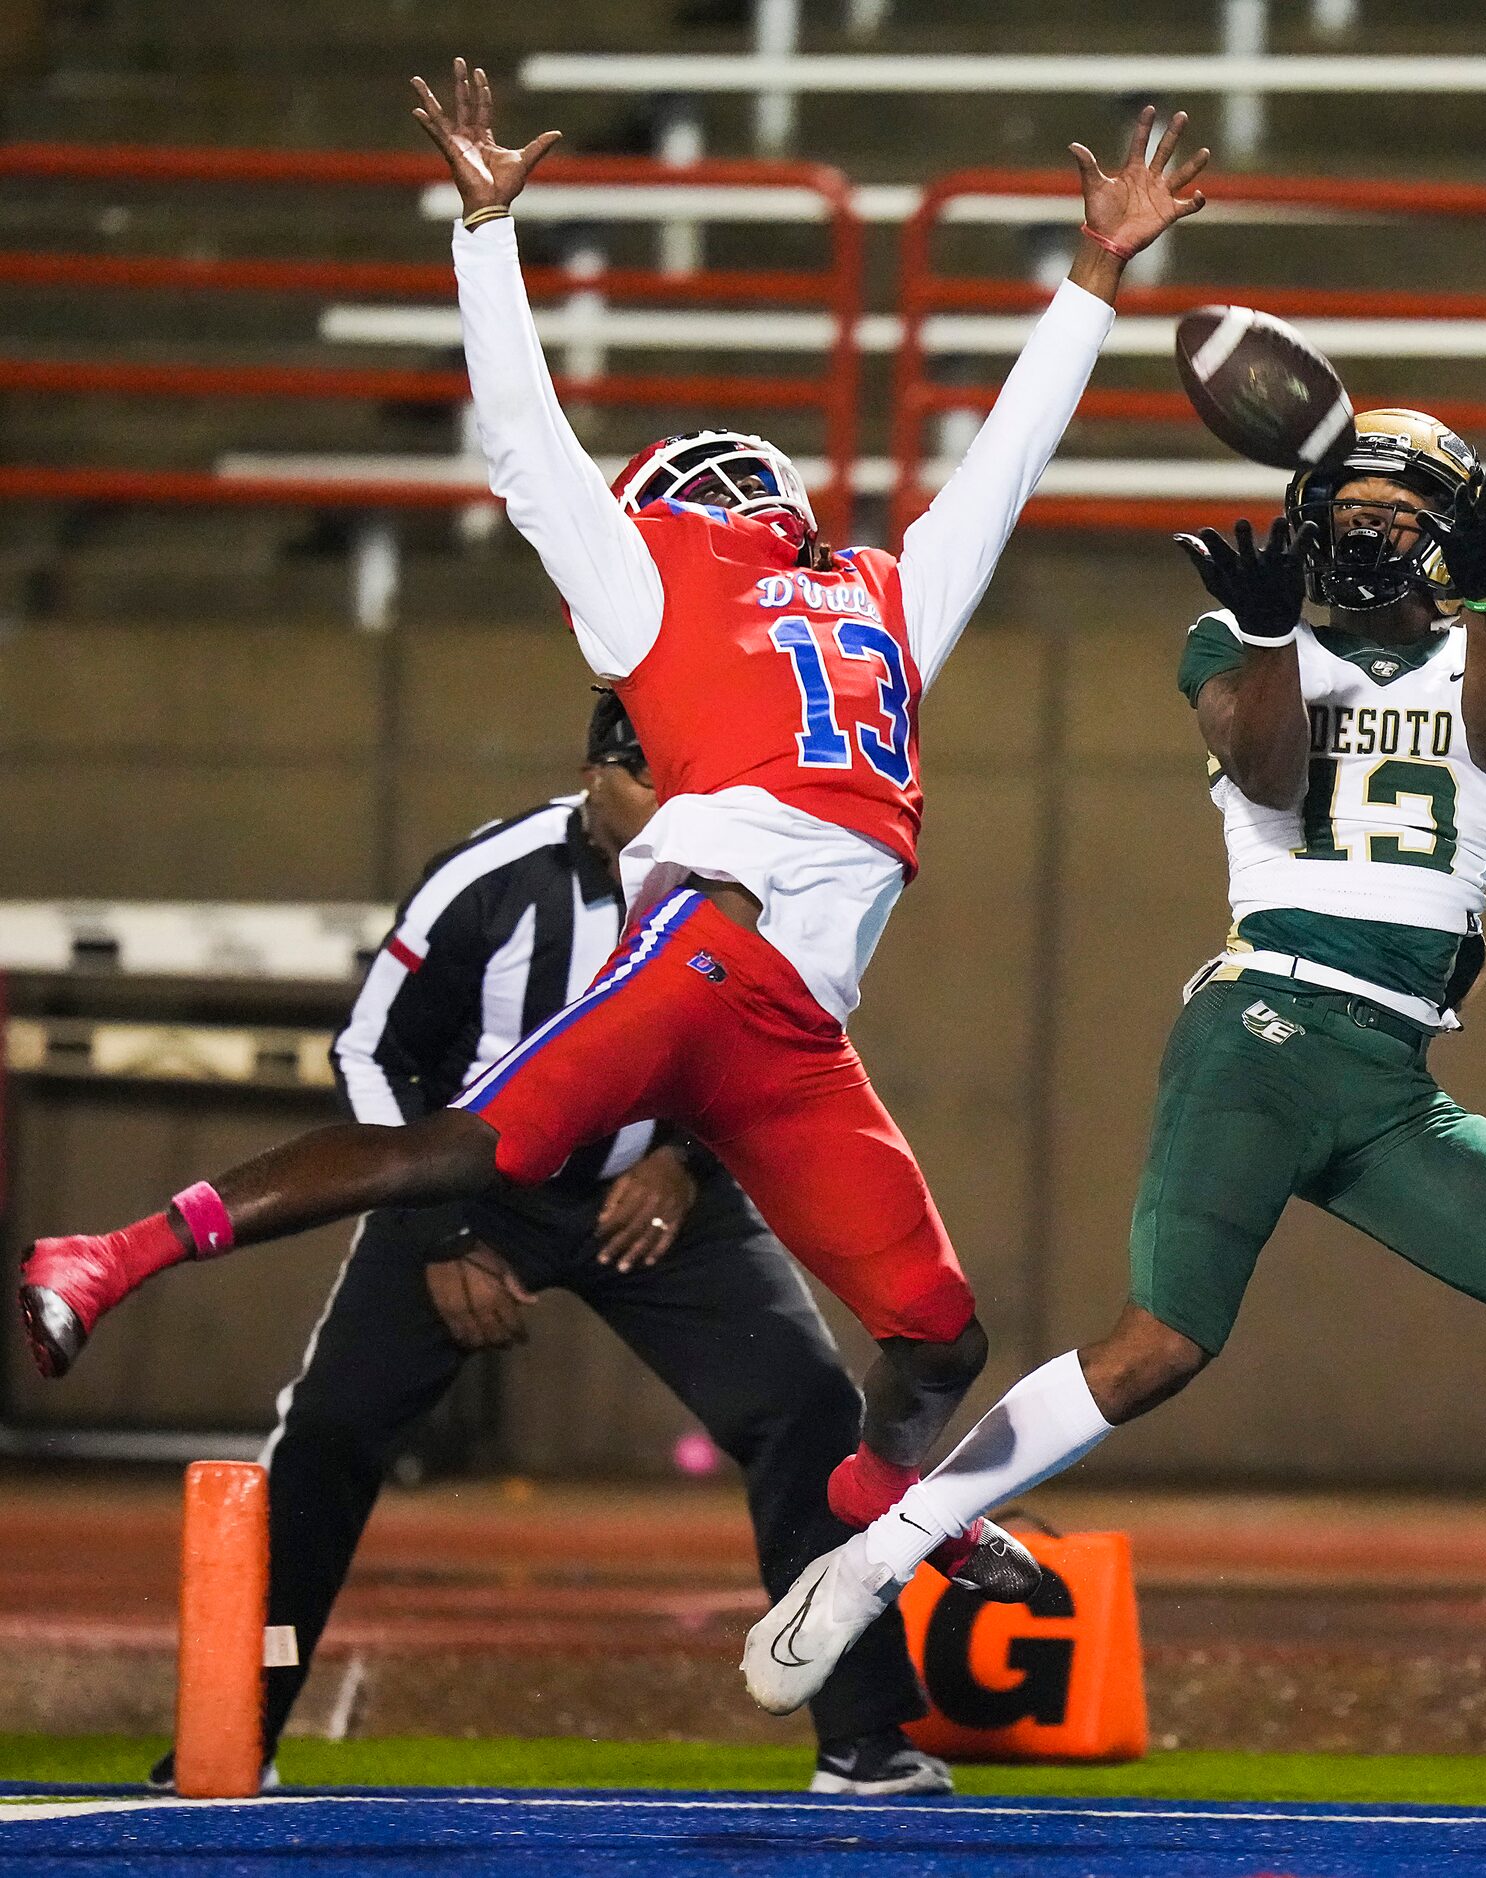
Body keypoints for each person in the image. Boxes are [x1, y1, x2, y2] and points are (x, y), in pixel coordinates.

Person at [19, 60, 1208, 1595]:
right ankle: (104, 1257)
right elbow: (998, 465)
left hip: (785, 1028)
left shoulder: (703, 585)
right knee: (475, 1163)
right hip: (709, 959)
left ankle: (879, 1509)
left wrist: (488, 236)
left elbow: (531, 451)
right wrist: (1095, 279)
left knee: (931, 1327)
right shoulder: (880, 596)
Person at [740, 411, 1486, 1788]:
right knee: (1156, 1348)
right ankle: (870, 1561)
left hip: (1383, 1073)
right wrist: (1265, 639)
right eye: (1350, 502)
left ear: (1453, 530)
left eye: (1397, 506)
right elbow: (1267, 768)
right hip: (1266, 1022)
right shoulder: (1245, 644)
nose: (1368, 525)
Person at [144, 694, 947, 1796]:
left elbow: (790, 1053)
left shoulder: (753, 872)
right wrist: (439, 1233)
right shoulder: (489, 877)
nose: (676, 802)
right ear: (593, 773)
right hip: (485, 1196)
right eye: (650, 776)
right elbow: (373, 1052)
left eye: (691, 775)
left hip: (661, 1195)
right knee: (328, 1433)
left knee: (806, 1410)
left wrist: (684, 1164)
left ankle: (864, 1741)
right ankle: (236, 1723)